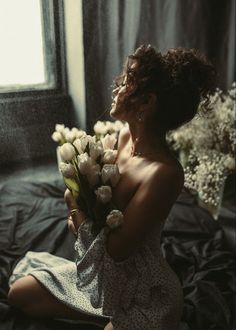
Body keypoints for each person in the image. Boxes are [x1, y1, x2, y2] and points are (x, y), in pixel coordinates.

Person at [7, 45, 216, 329]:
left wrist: (74, 203)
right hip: (106, 277)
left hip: (146, 295)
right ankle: (102, 310)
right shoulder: (123, 135)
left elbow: (116, 251)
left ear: (147, 103)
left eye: (129, 83)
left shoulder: (164, 173)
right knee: (19, 294)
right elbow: (100, 210)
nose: (117, 87)